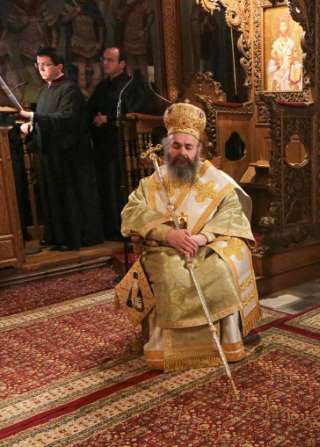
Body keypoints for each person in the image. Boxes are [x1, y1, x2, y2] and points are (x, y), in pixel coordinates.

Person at [118, 102, 261, 371]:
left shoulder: (216, 180)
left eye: (188, 147)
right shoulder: (152, 183)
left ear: (198, 150)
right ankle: (169, 350)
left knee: (220, 269)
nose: (182, 152)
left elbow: (233, 212)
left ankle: (227, 342)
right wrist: (168, 234)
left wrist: (202, 237)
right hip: (164, 248)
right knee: (172, 272)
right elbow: (132, 212)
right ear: (166, 146)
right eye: (176, 146)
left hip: (206, 246)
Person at [17, 47, 104, 251]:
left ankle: (73, 238)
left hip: (69, 156)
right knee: (53, 196)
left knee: (68, 196)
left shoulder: (69, 89)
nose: (41, 69)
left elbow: (67, 119)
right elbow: (45, 121)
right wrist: (31, 126)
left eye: (46, 65)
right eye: (38, 65)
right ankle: (57, 237)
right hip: (50, 154)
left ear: (59, 66)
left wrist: (35, 118)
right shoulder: (44, 91)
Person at [88, 47, 147, 239]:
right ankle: (109, 227)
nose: (105, 63)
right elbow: (91, 107)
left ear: (122, 64)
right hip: (103, 143)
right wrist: (95, 118)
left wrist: (109, 119)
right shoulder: (102, 85)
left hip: (122, 144)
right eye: (103, 59)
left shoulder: (131, 86)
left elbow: (134, 111)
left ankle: (122, 227)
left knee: (118, 183)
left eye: (110, 60)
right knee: (105, 184)